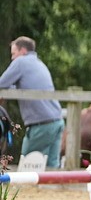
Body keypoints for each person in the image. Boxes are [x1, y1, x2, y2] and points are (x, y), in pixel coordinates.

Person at [0, 36, 64, 168]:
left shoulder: (21, 62)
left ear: (23, 51)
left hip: (41, 125)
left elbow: (2, 83)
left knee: (27, 164)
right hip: (57, 121)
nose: (12, 58)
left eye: (14, 53)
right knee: (52, 166)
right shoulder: (39, 64)